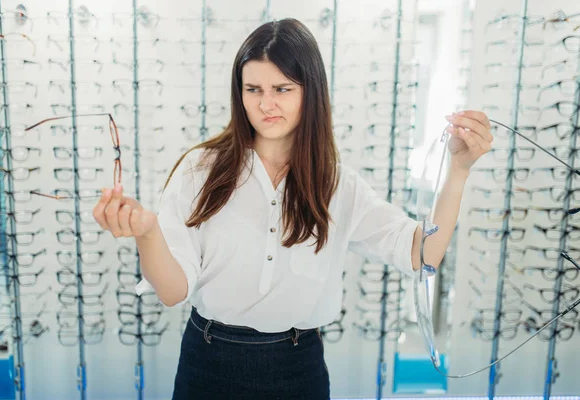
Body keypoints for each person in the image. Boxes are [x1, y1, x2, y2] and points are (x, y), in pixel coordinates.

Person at [92, 18, 492, 400]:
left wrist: (458, 171)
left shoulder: (337, 184)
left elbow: (423, 253)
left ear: (310, 91)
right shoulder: (200, 172)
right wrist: (147, 234)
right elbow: (173, 290)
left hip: (297, 367)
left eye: (282, 89)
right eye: (253, 90)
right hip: (209, 361)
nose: (267, 104)